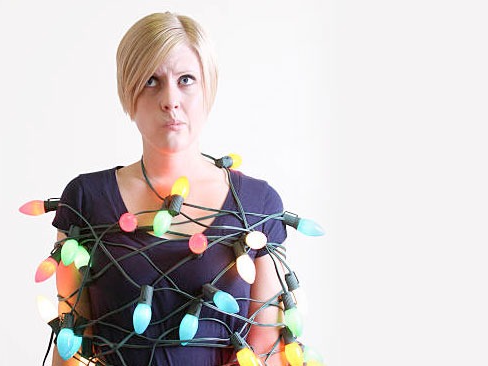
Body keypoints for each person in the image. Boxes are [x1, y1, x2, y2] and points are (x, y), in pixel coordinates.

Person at [49, 12, 301, 366]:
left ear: (207, 88)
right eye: (152, 80)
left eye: (186, 79)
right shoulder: (87, 200)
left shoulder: (258, 205)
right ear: (129, 91)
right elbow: (72, 346)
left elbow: (269, 350)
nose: (170, 99)